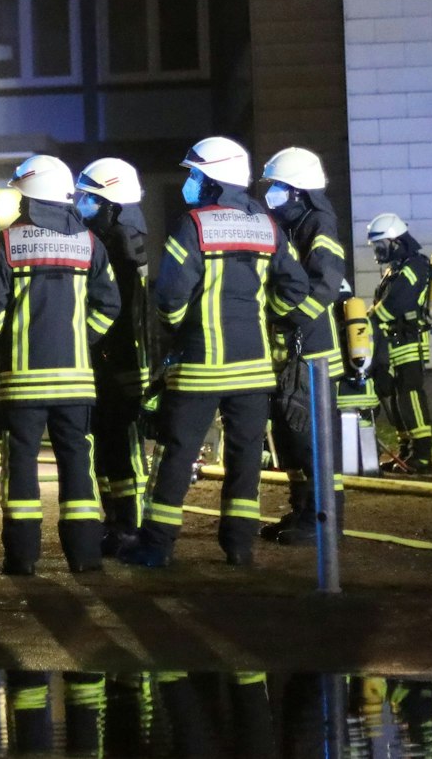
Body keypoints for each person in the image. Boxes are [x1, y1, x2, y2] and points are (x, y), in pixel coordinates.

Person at [124, 137, 310, 568]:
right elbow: (296, 289)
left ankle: (156, 547)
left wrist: (180, 330)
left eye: (195, 173)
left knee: (176, 455)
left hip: (200, 367)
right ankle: (239, 546)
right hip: (253, 368)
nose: (190, 181)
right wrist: (264, 316)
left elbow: (170, 297)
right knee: (245, 459)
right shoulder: (267, 225)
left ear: (211, 180)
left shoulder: (194, 224)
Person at [0, 156, 123, 575]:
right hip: (76, 381)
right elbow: (109, 306)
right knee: (78, 464)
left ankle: (21, 559)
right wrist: (81, 338)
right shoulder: (90, 244)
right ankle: (85, 556)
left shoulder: (6, 243)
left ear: (29, 196)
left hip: (22, 382)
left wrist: (8, 343)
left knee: (20, 466)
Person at [256, 147, 351, 544]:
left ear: (299, 192)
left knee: (315, 441)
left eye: (279, 187)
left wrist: (289, 315)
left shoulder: (319, 224)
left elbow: (326, 282)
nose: (271, 194)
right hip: (291, 353)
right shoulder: (291, 225)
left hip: (313, 353)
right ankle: (302, 511)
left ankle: (324, 520)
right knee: (291, 437)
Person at [75, 157, 155, 552]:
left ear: (112, 203)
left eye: (89, 198)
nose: (80, 203)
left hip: (121, 356)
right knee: (107, 442)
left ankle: (130, 524)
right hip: (111, 354)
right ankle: (118, 521)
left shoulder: (121, 239)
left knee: (122, 443)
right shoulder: (116, 235)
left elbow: (119, 307)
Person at [365, 212, 432, 473]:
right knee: (394, 398)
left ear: (395, 241)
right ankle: (406, 452)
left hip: (408, 342)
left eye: (380, 245)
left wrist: (368, 320)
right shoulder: (393, 271)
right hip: (391, 343)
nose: (377, 251)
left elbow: (395, 304)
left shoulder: (415, 267)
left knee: (410, 396)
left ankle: (423, 456)